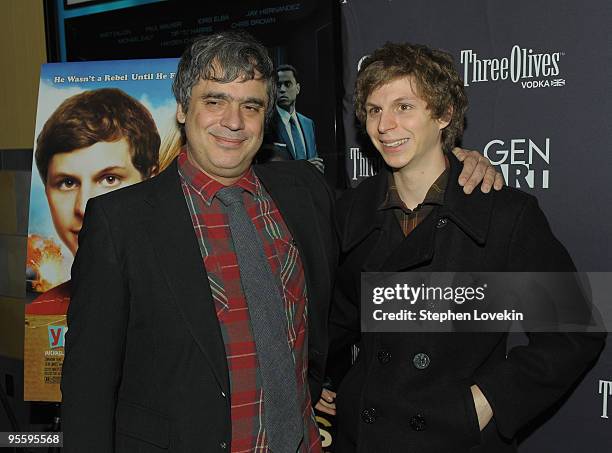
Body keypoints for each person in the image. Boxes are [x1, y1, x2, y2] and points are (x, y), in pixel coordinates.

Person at [60, 31, 500, 452]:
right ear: (182, 107)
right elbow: (88, 383)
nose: (233, 121)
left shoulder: (304, 192)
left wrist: (450, 160)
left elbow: (380, 248)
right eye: (215, 100)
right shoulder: (121, 222)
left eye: (251, 106)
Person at [320, 42, 605, 452]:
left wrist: (486, 401)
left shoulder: (503, 214)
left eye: (404, 107)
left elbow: (576, 331)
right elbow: (336, 320)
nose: (384, 125)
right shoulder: (352, 211)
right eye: (374, 109)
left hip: (452, 436)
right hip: (361, 435)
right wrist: (314, 381)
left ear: (443, 114)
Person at [26, 88, 160, 315]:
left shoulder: (193, 295)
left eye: (109, 179)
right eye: (67, 183)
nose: (84, 208)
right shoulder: (42, 313)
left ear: (152, 182)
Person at [261, 64, 323, 170]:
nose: (282, 90)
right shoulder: (267, 122)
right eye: (278, 85)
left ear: (297, 88)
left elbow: (315, 161)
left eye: (288, 84)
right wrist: (303, 168)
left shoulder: (308, 124)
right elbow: (266, 167)